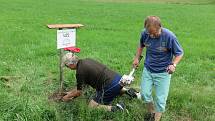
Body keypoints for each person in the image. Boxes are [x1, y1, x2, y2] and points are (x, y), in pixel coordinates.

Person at [133, 16, 183, 121]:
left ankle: (156, 118)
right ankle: (152, 113)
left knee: (160, 100)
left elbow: (179, 53)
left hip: (163, 72)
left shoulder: (169, 36)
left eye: (154, 33)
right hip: (148, 69)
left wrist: (173, 65)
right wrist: (137, 58)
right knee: (145, 95)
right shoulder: (145, 33)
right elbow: (141, 45)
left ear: (160, 27)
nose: (151, 36)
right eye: (149, 33)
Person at [61, 53, 138, 112]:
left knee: (91, 106)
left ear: (71, 64)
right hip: (118, 79)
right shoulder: (87, 60)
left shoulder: (80, 72)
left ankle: (118, 109)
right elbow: (82, 86)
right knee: (113, 87)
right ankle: (128, 91)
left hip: (110, 85)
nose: (68, 68)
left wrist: (66, 98)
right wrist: (70, 93)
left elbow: (79, 92)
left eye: (67, 66)